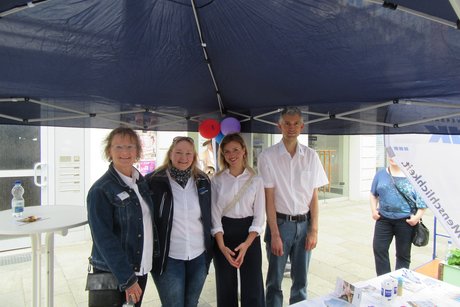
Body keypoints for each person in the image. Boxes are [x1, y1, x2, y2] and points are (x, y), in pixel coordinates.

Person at [258, 107, 329, 307]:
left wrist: (314, 230)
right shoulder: (267, 156)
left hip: (304, 224)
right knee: (274, 281)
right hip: (280, 224)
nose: (291, 128)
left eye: (295, 123)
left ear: (302, 126)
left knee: (301, 281)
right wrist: (275, 234)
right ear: (279, 126)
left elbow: (314, 196)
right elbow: (268, 199)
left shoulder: (311, 156)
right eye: (287, 123)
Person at [86, 127, 158, 307]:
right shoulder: (100, 190)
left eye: (130, 147)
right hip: (118, 273)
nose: (125, 152)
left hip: (140, 267)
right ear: (109, 151)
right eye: (118, 147)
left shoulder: (140, 182)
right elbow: (103, 239)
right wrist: (128, 279)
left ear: (137, 151)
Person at [146, 136, 213, 307]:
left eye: (188, 153)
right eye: (179, 152)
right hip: (168, 257)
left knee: (191, 303)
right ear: (170, 154)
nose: (183, 158)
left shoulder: (203, 181)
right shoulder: (153, 181)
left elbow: (209, 216)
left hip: (198, 255)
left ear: (194, 156)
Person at [211, 133, 265, 307]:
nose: (231, 155)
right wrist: (221, 246)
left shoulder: (256, 179)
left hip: (249, 234)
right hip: (223, 234)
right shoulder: (217, 180)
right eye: (227, 151)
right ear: (223, 155)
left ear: (244, 150)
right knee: (225, 285)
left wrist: (247, 244)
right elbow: (215, 214)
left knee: (253, 285)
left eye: (235, 149)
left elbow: (259, 217)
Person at [370, 157, 427, 276]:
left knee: (403, 254)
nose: (392, 157)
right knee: (379, 249)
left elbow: (423, 200)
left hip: (406, 221)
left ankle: (399, 281)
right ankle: (384, 280)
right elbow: (373, 194)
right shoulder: (381, 174)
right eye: (390, 154)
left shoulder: (413, 176)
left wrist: (417, 217)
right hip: (383, 219)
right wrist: (374, 210)